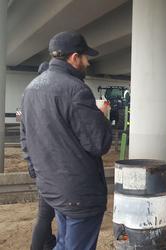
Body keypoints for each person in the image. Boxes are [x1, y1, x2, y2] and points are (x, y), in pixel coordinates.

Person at [20, 31, 112, 250]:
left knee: (63, 243)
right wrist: (100, 114)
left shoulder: (31, 88)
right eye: (85, 57)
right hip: (79, 191)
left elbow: (26, 137)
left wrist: (37, 171)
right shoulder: (76, 90)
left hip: (52, 187)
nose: (88, 62)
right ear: (73, 58)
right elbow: (99, 143)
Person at [25, 61, 56, 250]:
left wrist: (30, 161)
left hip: (39, 163)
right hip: (50, 166)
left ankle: (47, 241)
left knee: (46, 212)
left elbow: (25, 134)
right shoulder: (49, 99)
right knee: (46, 213)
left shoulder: (30, 96)